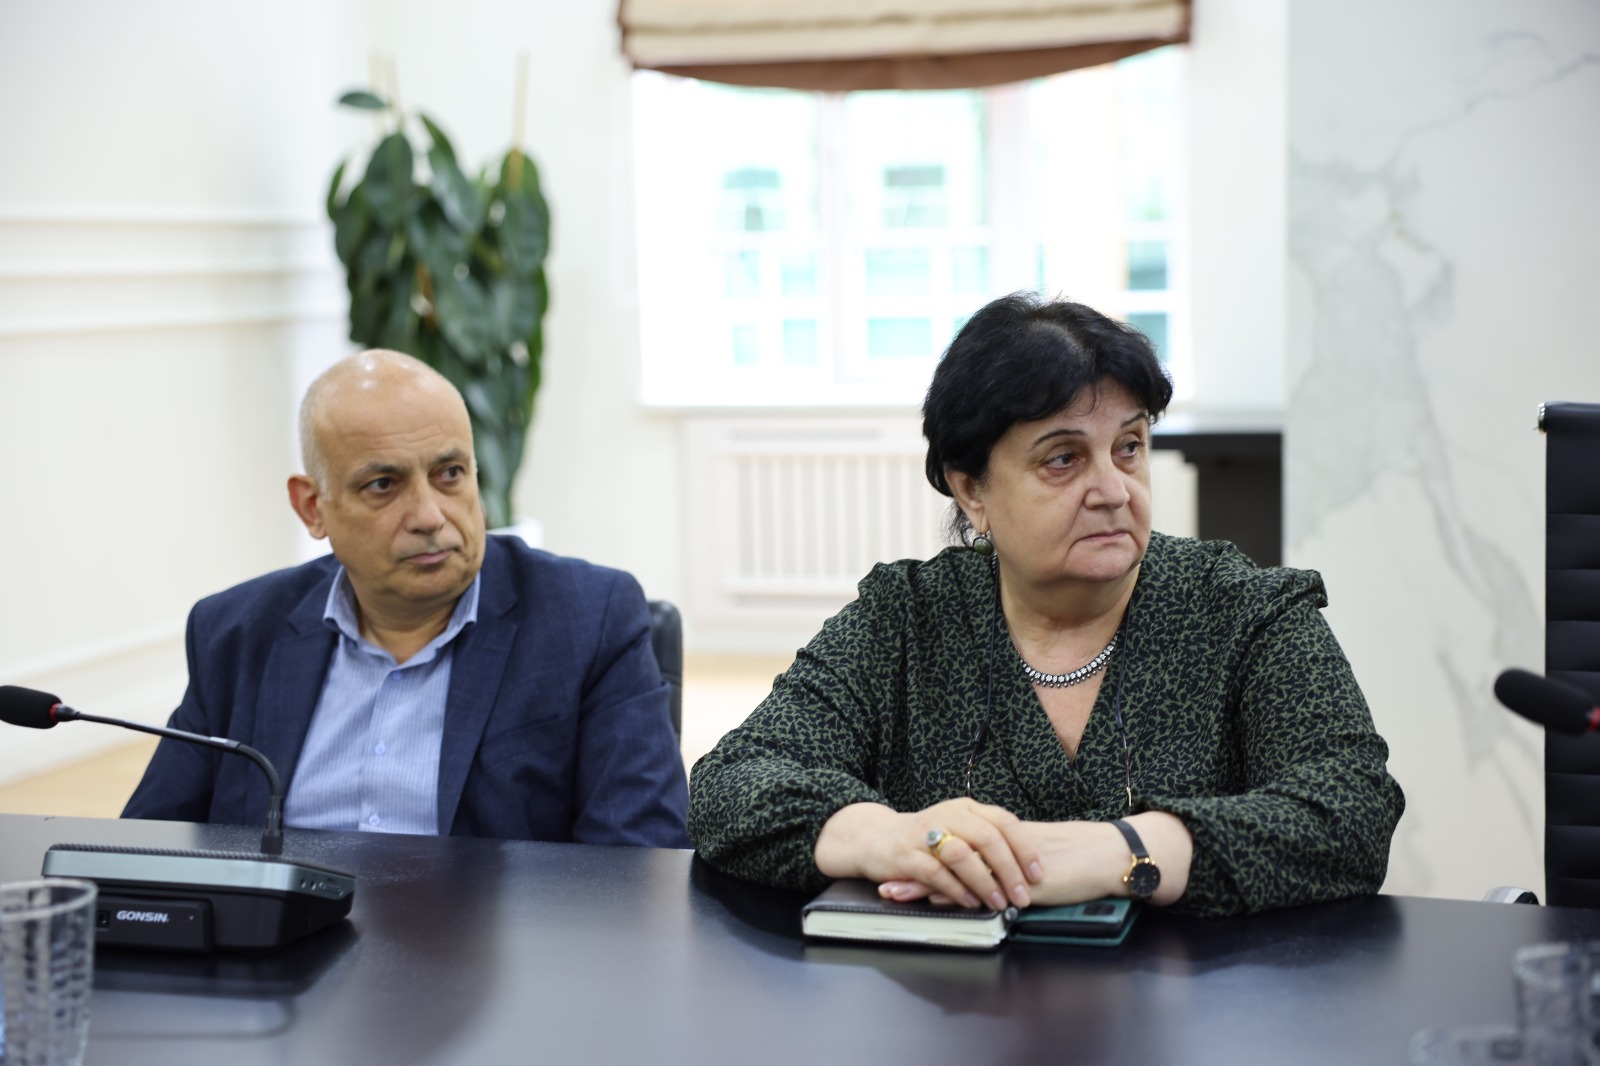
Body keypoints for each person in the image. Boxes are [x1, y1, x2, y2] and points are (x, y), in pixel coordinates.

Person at [688, 294, 1404, 916]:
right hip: (951, 1007)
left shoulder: (1245, 611)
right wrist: (885, 836)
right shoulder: (905, 619)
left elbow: (1352, 809)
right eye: (1063, 459)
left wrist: (1123, 851)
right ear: (972, 489)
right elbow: (732, 783)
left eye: (1129, 447)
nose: (1113, 490)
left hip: (1195, 1007)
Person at [124, 349, 689, 847]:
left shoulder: (588, 618)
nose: (428, 516)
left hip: (495, 938)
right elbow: (144, 849)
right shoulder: (237, 632)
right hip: (283, 935)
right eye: (383, 485)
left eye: (449, 473)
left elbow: (638, 860)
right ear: (313, 508)